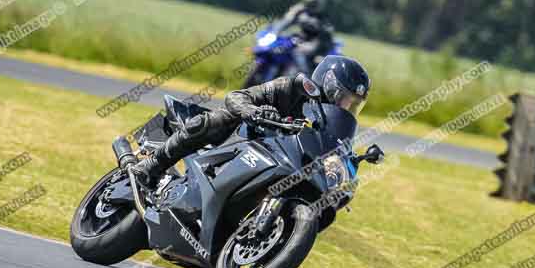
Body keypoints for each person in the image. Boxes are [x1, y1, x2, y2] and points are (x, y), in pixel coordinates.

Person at [134, 55, 371, 190]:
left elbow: (333, 145)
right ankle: (152, 165)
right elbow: (237, 97)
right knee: (216, 119)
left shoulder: (327, 123)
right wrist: (254, 112)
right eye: (343, 98)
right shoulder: (291, 87)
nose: (345, 106)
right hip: (242, 138)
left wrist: (346, 163)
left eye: (352, 104)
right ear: (327, 84)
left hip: (276, 163)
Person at [272, 0, 336, 74]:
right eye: (310, 2)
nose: (312, 5)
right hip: (300, 40)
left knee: (298, 53)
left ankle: (305, 76)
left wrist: (308, 46)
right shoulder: (299, 11)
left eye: (315, 3)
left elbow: (325, 38)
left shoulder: (324, 18)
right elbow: (285, 22)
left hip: (317, 45)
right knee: (282, 48)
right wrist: (275, 32)